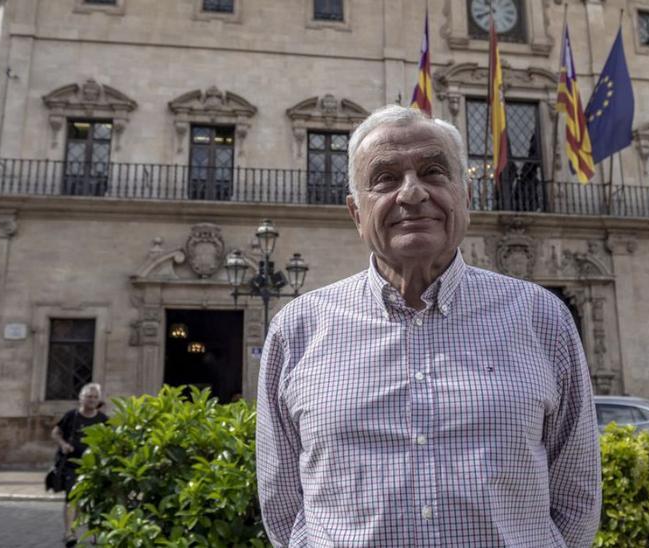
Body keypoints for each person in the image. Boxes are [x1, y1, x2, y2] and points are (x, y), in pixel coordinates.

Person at [256, 105, 602, 547]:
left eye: (434, 172)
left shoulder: (541, 317)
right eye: (384, 178)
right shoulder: (297, 329)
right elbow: (282, 504)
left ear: (466, 196)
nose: (412, 193)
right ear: (356, 213)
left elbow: (577, 494)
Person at [50, 383, 108, 547]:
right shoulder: (72, 415)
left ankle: (96, 533)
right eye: (89, 396)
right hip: (72, 465)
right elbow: (55, 432)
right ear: (81, 398)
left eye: (95, 397)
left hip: (95, 468)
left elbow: (111, 440)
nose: (92, 400)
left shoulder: (103, 419)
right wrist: (63, 445)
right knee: (72, 499)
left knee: (96, 501)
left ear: (98, 400)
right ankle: (69, 533)